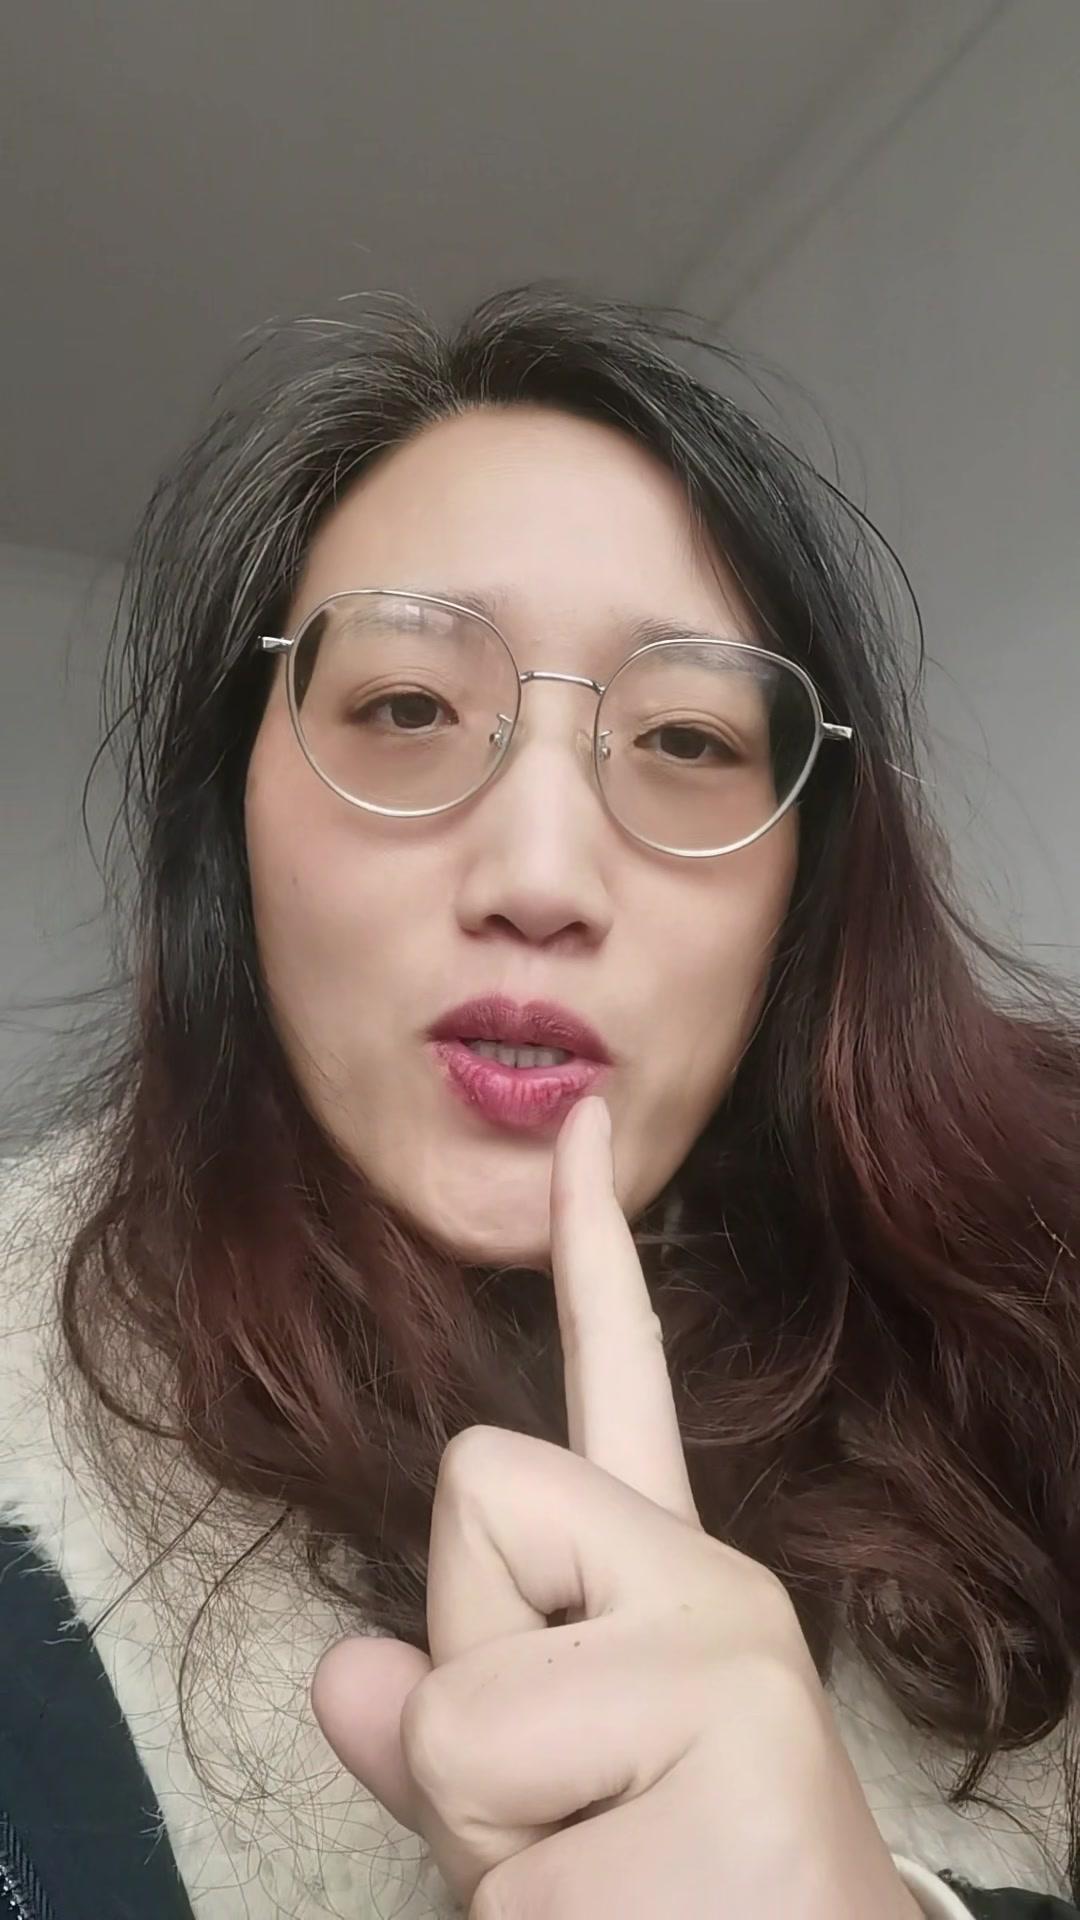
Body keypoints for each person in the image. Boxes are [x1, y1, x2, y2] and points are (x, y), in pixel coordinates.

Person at [1, 285, 1076, 1920]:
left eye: (688, 738)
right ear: (231, 824)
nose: (542, 874)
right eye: (407, 708)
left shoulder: (1035, 1370)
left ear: (806, 887)